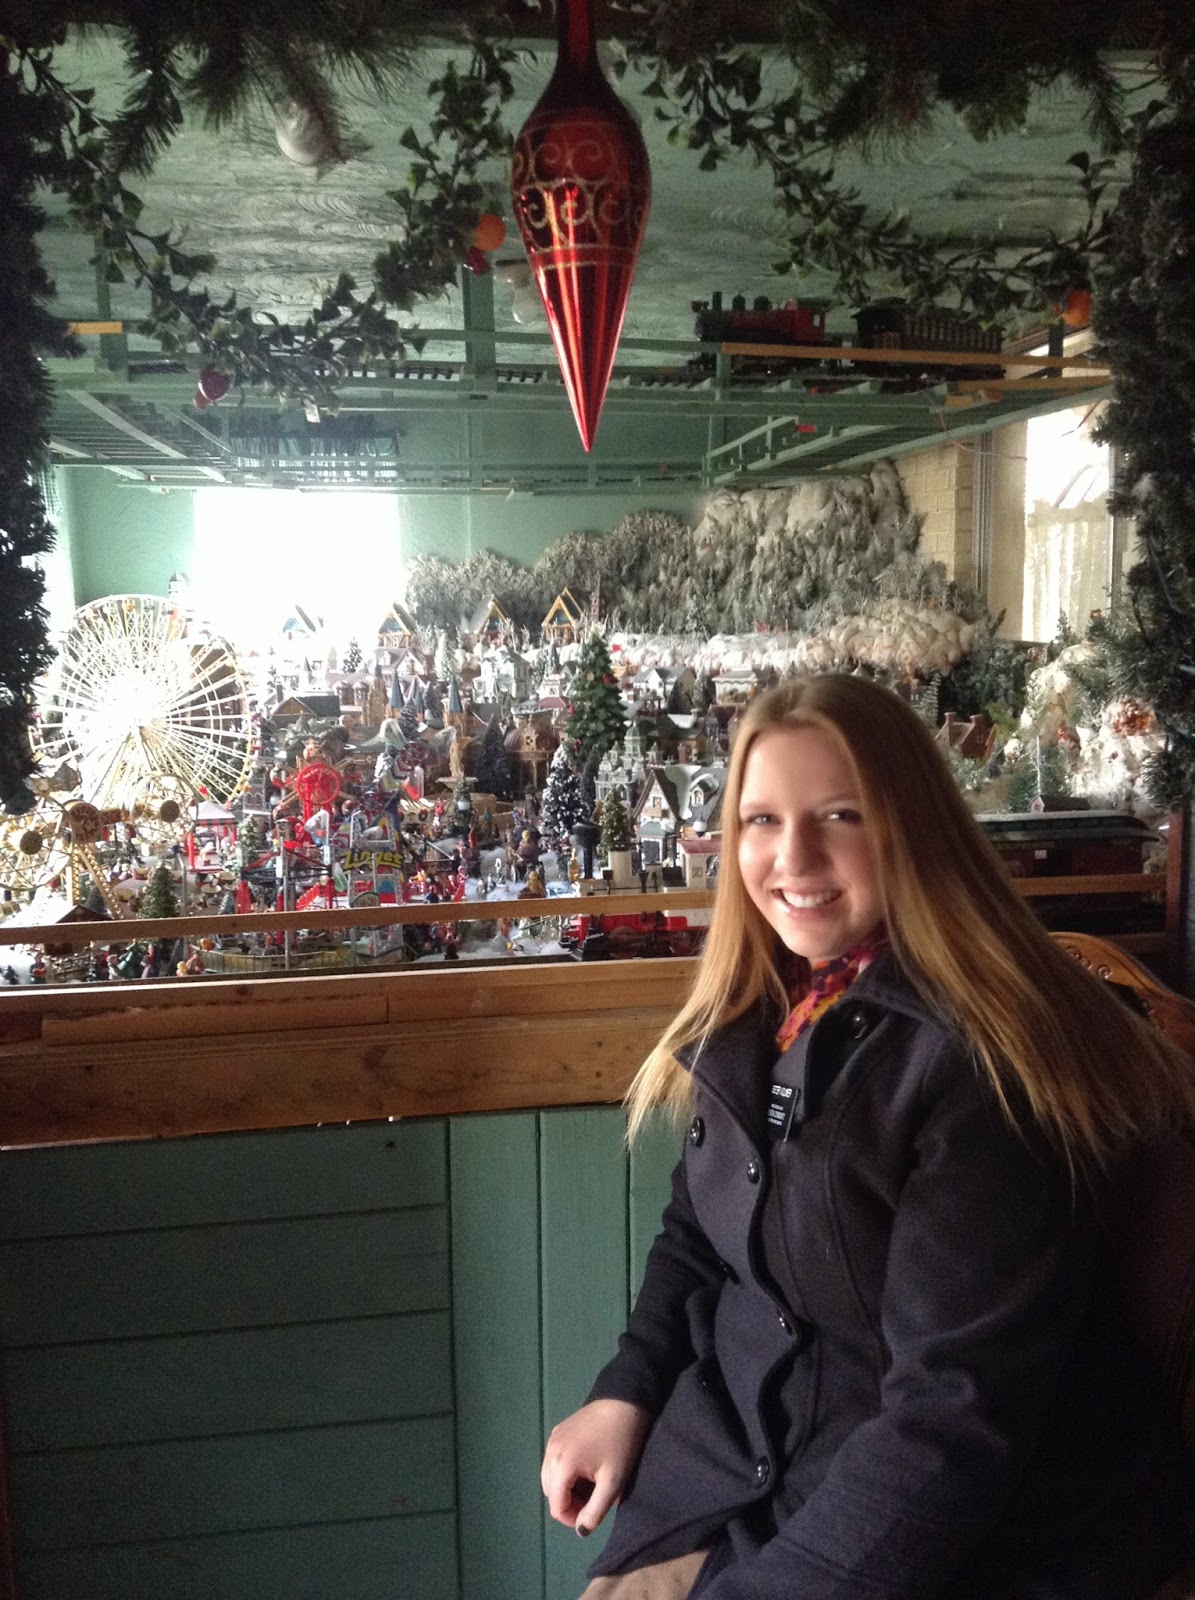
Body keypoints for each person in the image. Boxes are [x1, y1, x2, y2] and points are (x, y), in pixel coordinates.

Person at [541, 674, 1195, 1600]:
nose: (792, 856)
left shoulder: (982, 1063)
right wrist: (627, 1388)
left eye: (839, 815)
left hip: (965, 1540)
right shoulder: (768, 1007)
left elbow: (951, 1418)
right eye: (761, 820)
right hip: (748, 1480)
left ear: (914, 828)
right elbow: (698, 1235)